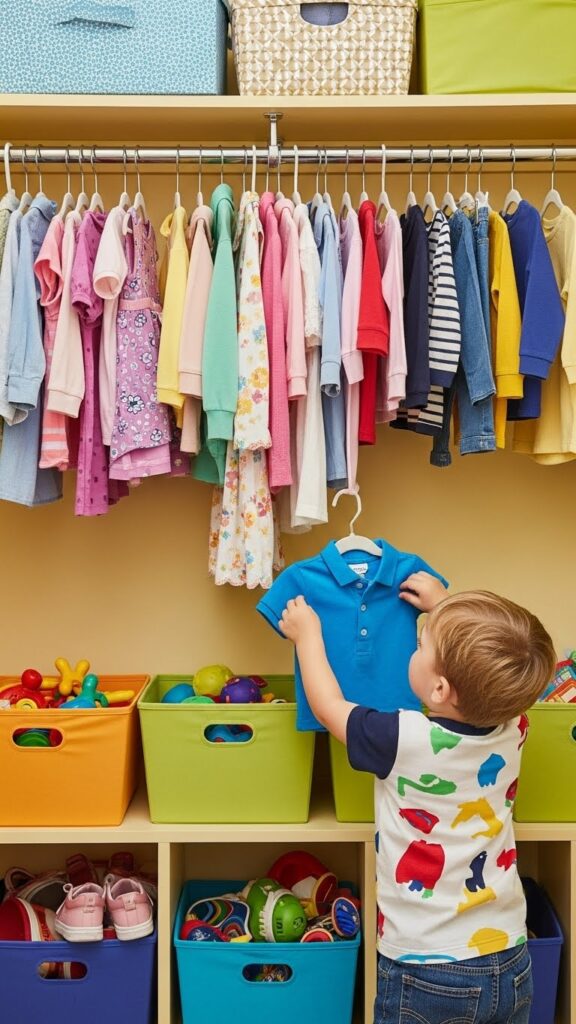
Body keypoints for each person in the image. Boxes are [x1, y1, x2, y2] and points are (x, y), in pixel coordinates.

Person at [279, 571, 556, 1024]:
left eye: (422, 646)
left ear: (440, 689)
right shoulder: (514, 728)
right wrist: (443, 606)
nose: (416, 647)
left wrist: (307, 636)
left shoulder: (403, 738)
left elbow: (330, 707)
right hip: (509, 956)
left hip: (425, 966)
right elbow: (493, 672)